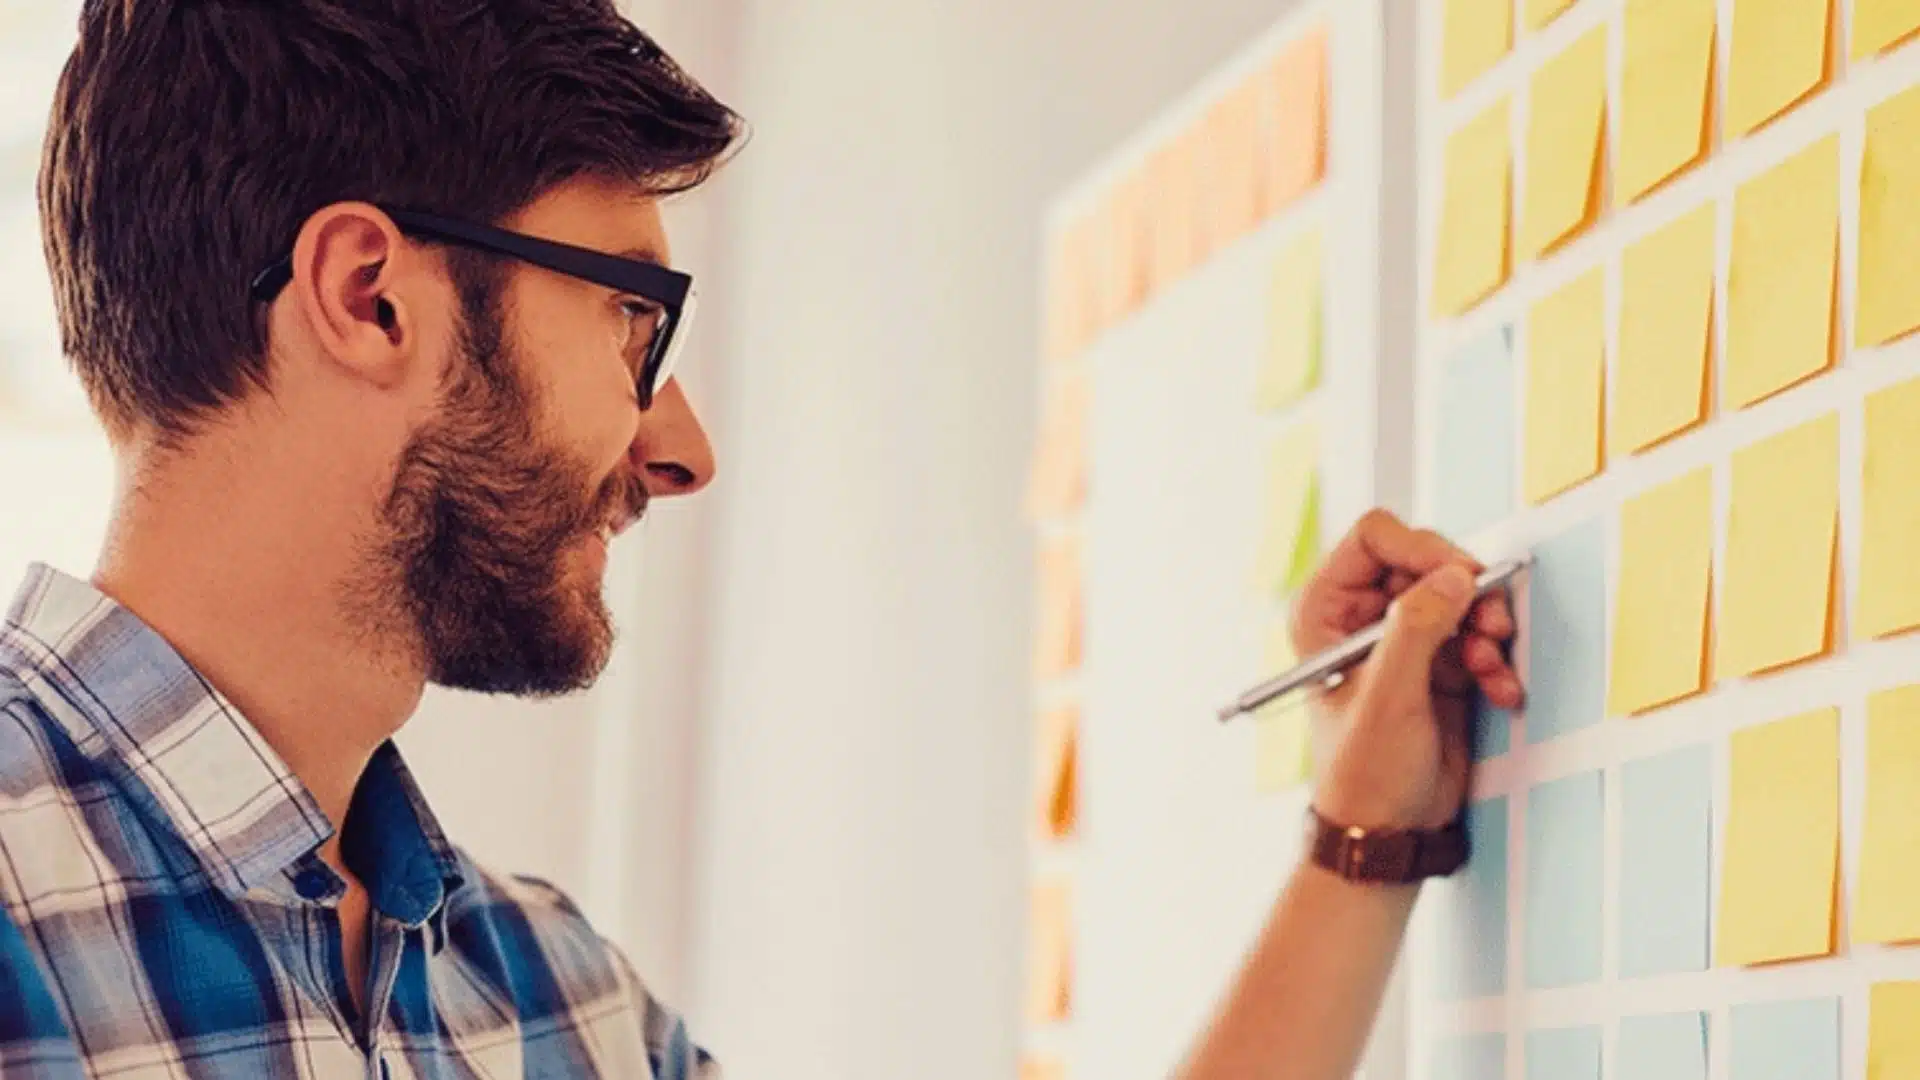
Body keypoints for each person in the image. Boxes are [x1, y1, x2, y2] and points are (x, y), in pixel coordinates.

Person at [0, 2, 1520, 1077]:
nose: (681, 447)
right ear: (370, 298)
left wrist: (1362, 831)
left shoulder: (546, 997)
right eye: (631, 325)